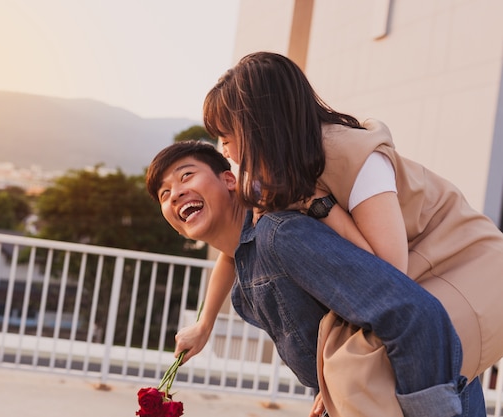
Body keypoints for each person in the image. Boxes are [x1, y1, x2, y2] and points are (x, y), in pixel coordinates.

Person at [196, 51, 503, 416]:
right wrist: (204, 325)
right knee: (350, 369)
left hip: (469, 267)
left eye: (227, 134)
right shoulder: (282, 171)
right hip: (422, 272)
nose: (224, 149)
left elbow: (389, 269)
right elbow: (237, 249)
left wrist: (320, 206)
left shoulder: (352, 153)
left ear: (261, 124)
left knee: (373, 367)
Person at [146, 140, 469, 417]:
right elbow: (231, 255)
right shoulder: (246, 261)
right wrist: (204, 326)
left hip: (416, 391)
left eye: (186, 175)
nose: (175, 193)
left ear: (230, 179)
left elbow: (403, 307)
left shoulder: (279, 235)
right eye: (163, 194)